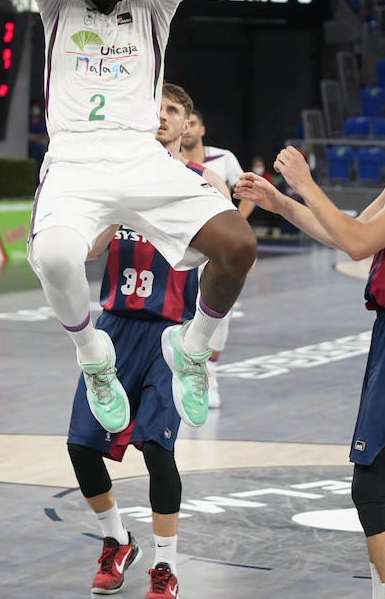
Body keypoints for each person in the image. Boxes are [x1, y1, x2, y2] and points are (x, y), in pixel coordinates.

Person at [11, 0, 256, 434]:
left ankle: (195, 346)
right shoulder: (56, 2)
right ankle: (94, 357)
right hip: (73, 160)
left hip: (141, 156)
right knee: (59, 261)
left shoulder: (153, 7)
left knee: (238, 246)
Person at [234, 69, 385, 599]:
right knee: (373, 481)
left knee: (371, 484)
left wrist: (303, 182)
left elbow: (359, 244)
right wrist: (280, 204)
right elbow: (341, 229)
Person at [69, 83, 225, 598]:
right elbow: (90, 252)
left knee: (158, 451)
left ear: (188, 126)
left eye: (172, 112)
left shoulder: (203, 183)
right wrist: (114, 209)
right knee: (81, 446)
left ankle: (165, 566)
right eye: (153, 111)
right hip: (113, 327)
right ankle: (117, 541)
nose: (161, 118)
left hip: (168, 335)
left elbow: (230, 259)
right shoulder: (116, 182)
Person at [178, 107, 244, 409]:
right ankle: (182, 371)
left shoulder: (224, 159)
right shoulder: (168, 162)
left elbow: (246, 192)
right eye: (185, 123)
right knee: (180, 308)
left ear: (202, 129)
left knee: (219, 308)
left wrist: (237, 232)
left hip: (215, 244)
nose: (188, 128)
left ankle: (210, 374)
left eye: (193, 123)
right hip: (181, 243)